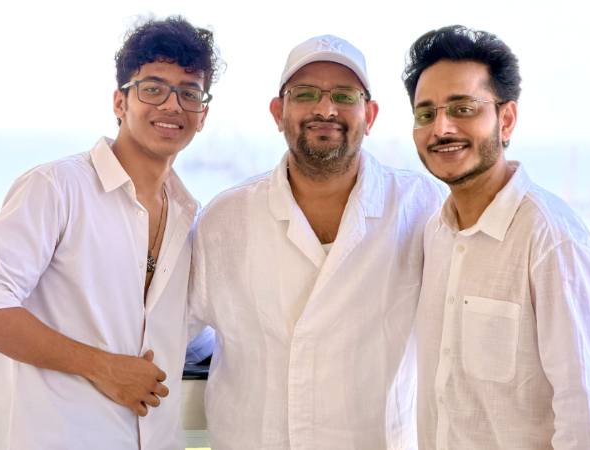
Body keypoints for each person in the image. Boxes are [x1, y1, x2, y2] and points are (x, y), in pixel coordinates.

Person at [188, 34, 442, 450]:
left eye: (344, 95)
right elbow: (178, 329)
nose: (325, 109)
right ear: (278, 112)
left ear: (370, 115)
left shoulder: (421, 207)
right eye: (305, 94)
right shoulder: (224, 219)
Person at [0, 16, 220, 450]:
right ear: (120, 102)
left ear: (202, 114)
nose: (172, 105)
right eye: (153, 88)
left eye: (189, 93)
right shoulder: (56, 188)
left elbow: (191, 335)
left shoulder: (191, 221)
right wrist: (101, 366)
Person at [403, 24, 590, 450]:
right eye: (426, 114)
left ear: (506, 119)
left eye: (463, 108)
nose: (441, 127)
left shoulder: (551, 240)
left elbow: (589, 423)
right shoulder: (434, 234)